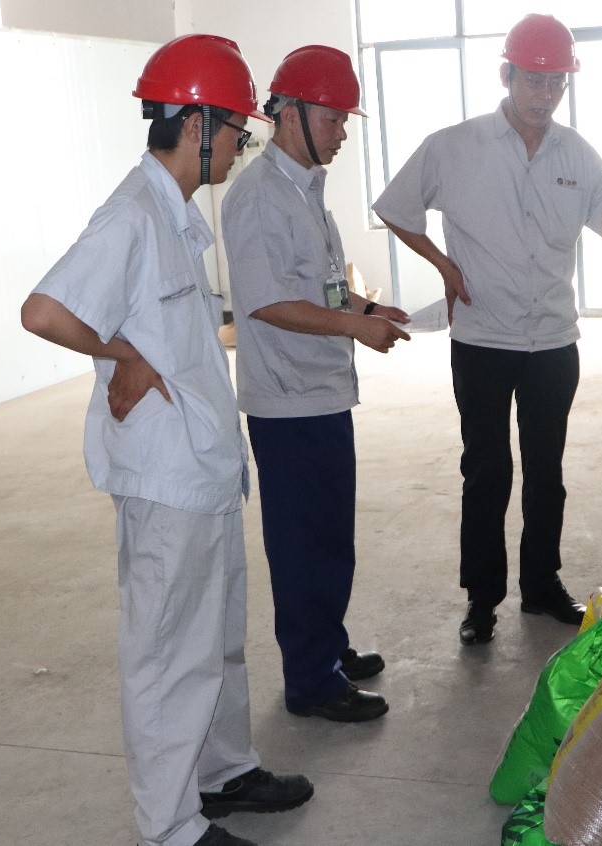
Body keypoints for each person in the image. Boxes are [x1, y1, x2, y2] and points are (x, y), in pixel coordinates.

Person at [20, 34, 312, 846]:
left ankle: (224, 772)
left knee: (215, 639)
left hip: (203, 468)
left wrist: (138, 351)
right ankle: (172, 827)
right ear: (195, 124)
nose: (240, 149)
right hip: (165, 480)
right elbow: (44, 311)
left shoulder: (173, 214)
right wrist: (123, 354)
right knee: (167, 654)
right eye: (238, 132)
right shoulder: (131, 216)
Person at [372, 13, 602, 646]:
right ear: (507, 75)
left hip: (552, 343)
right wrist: (444, 265)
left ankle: (541, 585)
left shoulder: (576, 153)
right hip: (482, 340)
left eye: (556, 83)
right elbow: (396, 207)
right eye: (534, 80)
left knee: (547, 471)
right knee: (486, 472)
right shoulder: (455, 146)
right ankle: (482, 598)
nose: (545, 95)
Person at [221, 45, 410, 724]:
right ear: (290, 115)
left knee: (330, 538)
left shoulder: (306, 190)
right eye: (333, 119)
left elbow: (320, 286)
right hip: (287, 402)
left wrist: (367, 309)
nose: (341, 133)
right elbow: (267, 303)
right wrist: (355, 328)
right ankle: (310, 680)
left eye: (344, 120)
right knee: (303, 545)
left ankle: (326, 649)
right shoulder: (258, 198)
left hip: (321, 392)